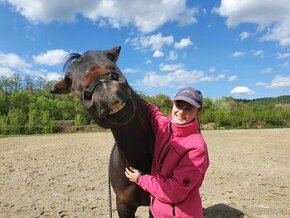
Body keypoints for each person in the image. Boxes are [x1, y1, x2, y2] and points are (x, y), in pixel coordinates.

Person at [125, 87, 209, 218]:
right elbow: (154, 113)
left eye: (189, 108)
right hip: (156, 210)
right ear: (173, 104)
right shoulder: (165, 126)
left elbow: (173, 192)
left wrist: (140, 178)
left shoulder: (197, 149)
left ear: (198, 113)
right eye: (179, 105)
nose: (181, 112)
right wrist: (132, 95)